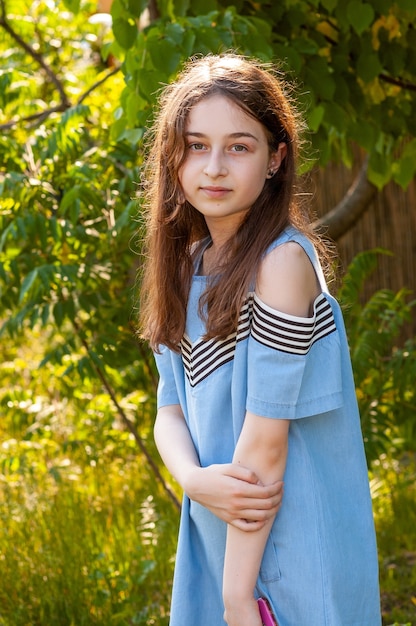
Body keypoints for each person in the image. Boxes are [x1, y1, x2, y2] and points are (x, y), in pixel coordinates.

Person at [139, 53, 381, 626]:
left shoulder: (282, 265)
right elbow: (169, 410)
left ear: (276, 158)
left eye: (239, 146)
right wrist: (195, 481)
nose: (214, 167)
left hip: (289, 546)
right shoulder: (185, 266)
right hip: (215, 533)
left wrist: (238, 598)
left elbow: (264, 448)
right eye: (196, 145)